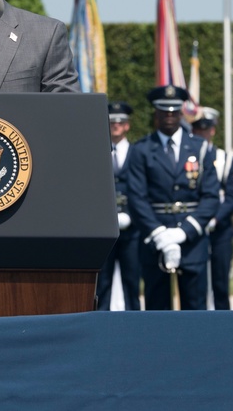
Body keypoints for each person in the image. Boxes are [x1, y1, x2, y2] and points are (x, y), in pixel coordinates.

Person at [125, 86, 219, 310]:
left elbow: (211, 196)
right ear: (155, 113)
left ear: (181, 114)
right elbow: (136, 197)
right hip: (155, 239)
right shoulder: (141, 150)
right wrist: (159, 234)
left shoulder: (201, 148)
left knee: (195, 309)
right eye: (163, 111)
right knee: (157, 309)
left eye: (174, 111)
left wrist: (183, 232)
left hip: (192, 241)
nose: (169, 115)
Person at [191, 107, 233, 310]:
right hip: (195, 227)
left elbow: (232, 196)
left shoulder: (225, 158)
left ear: (213, 130)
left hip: (219, 229)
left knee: (220, 282)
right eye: (198, 129)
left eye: (207, 128)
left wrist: (215, 219)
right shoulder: (189, 156)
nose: (203, 133)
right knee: (196, 284)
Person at [96, 102, 140, 311]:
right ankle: (101, 325)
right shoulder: (99, 152)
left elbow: (142, 190)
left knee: (132, 281)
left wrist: (131, 214)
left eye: (120, 122)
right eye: (112, 122)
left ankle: (136, 326)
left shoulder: (137, 152)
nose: (116, 125)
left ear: (127, 126)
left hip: (132, 229)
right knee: (102, 283)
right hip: (106, 227)